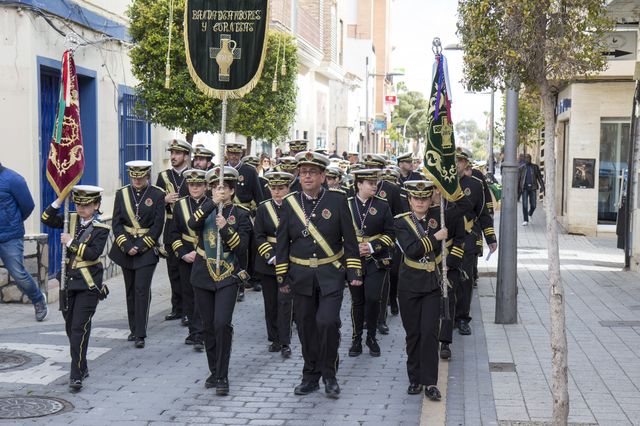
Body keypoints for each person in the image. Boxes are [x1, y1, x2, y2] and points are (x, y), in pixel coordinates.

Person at [276, 151, 362, 399]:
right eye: (303, 172)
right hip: (300, 275)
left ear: (323, 176)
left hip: (330, 274)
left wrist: (354, 270)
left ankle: (330, 375)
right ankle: (310, 374)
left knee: (327, 323)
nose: (307, 177)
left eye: (312, 172)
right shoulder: (291, 203)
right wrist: (282, 276)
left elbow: (350, 238)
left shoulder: (337, 200)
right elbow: (282, 243)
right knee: (305, 328)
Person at [188, 166, 252, 396]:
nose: (220, 191)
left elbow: (241, 246)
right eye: (215, 187)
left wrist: (225, 228)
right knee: (208, 326)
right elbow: (192, 225)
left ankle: (223, 374)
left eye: (224, 187)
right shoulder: (204, 208)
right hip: (203, 273)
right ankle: (213, 370)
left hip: (228, 274)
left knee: (221, 323)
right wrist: (210, 204)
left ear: (232, 190)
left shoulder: (242, 214)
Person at [41, 186, 110, 391]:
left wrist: (71, 242)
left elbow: (92, 254)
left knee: (79, 326)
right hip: (68, 283)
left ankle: (76, 373)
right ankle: (82, 364)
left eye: (86, 205)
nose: (81, 208)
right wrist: (60, 199)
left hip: (88, 284)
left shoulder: (101, 229)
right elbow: (46, 218)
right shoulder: (68, 219)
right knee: (71, 327)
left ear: (96, 205)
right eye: (78, 203)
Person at [394, 180, 448, 401]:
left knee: (429, 333)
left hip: (431, 285)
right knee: (414, 334)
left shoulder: (439, 217)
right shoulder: (401, 222)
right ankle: (414, 379)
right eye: (416, 198)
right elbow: (412, 250)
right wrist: (436, 238)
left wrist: (446, 188)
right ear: (409, 200)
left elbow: (460, 210)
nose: (420, 202)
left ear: (430, 198)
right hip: (409, 285)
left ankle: (431, 382)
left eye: (424, 198)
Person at [109, 161, 166, 348]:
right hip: (126, 248)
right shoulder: (122, 194)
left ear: (147, 175)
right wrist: (126, 245)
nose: (137, 180)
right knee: (131, 290)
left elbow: (158, 225)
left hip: (146, 250)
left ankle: (140, 332)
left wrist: (141, 246)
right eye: (134, 177)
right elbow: (116, 223)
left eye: (140, 177)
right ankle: (133, 328)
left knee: (141, 289)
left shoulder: (157, 194)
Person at [346, 169, 394, 358]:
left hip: (376, 259)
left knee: (373, 298)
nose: (374, 186)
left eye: (375, 183)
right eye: (370, 183)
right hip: (354, 259)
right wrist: (352, 248)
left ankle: (371, 337)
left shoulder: (382, 206)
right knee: (357, 301)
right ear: (358, 184)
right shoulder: (347, 204)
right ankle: (356, 338)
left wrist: (373, 246)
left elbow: (391, 233)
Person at [455, 151, 497, 336]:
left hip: (467, 238)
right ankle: (445, 315)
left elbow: (483, 214)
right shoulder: (438, 184)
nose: (455, 164)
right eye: (452, 160)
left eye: (459, 161)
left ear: (465, 164)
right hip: (443, 240)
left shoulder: (475, 185)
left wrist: (490, 238)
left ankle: (463, 318)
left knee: (465, 280)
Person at [254, 171, 295, 358]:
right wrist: (271, 256)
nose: (277, 192)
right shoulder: (263, 208)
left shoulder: (295, 206)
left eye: (281, 188)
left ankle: (286, 341)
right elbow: (259, 235)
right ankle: (274, 339)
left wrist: (287, 256)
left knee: (285, 302)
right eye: (274, 188)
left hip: (289, 261)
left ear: (288, 188)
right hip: (269, 263)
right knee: (270, 303)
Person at [0, 163, 48, 320]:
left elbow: (28, 205)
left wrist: (13, 221)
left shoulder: (14, 180)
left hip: (10, 237)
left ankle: (38, 299)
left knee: (18, 274)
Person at [169, 169, 208, 352]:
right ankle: (193, 332)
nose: (195, 188)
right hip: (186, 255)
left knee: (202, 296)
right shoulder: (180, 205)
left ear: (206, 186)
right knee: (188, 295)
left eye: (199, 185)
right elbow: (174, 232)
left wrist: (202, 252)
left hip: (205, 254)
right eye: (192, 185)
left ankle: (201, 334)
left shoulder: (212, 204)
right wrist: (183, 253)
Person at [156, 139, 192, 324]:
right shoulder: (163, 176)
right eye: (172, 153)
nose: (173, 156)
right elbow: (154, 203)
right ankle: (176, 308)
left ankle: (188, 310)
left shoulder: (193, 175)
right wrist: (164, 199)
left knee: (187, 271)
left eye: (177, 153)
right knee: (173, 270)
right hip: (171, 226)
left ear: (185, 156)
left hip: (189, 227)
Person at [226, 143, 265, 299]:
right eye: (231, 154)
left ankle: (241, 285)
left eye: (237, 154)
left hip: (243, 216)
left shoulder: (249, 171)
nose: (234, 157)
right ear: (227, 154)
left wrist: (259, 216)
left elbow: (259, 195)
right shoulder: (220, 169)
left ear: (240, 155)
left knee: (244, 250)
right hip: (225, 214)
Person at [518, 154, 544, 226]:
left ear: (531, 159)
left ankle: (530, 213)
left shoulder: (535, 167)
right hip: (525, 188)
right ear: (524, 159)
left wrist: (543, 187)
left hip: (533, 188)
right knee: (525, 205)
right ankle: (525, 220)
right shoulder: (521, 168)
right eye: (526, 158)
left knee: (534, 205)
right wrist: (517, 192)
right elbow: (519, 180)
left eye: (529, 158)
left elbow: (539, 177)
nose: (527, 159)